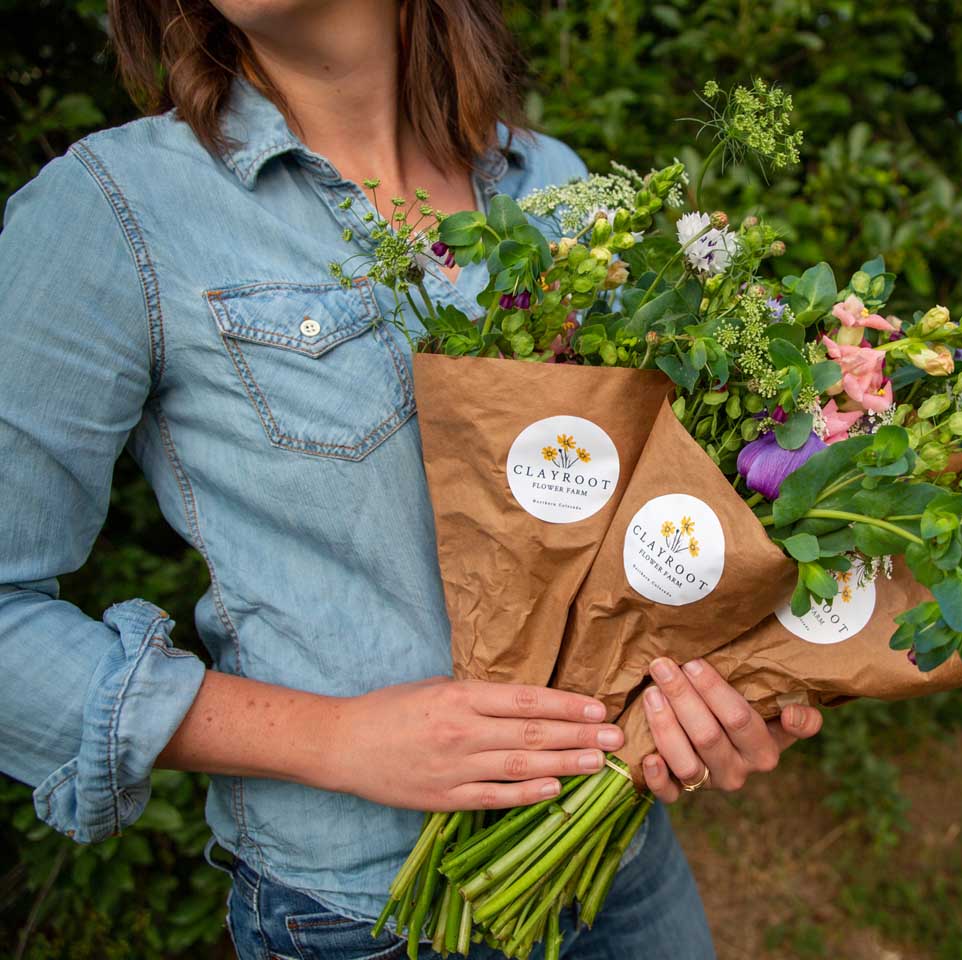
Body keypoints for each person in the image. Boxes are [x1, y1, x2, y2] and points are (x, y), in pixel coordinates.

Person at [0, 0, 823, 956]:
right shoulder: (116, 210)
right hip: (370, 915)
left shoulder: (558, 187)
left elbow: (654, 518)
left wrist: (712, 690)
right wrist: (333, 741)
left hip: (618, 856)